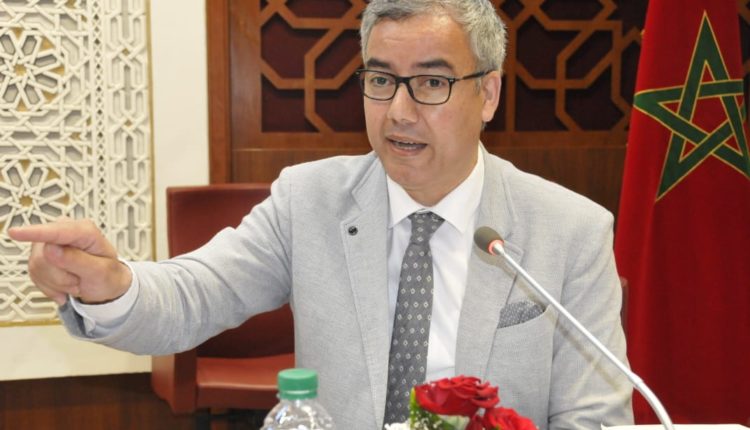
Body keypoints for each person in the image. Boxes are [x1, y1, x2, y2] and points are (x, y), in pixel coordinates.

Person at [9, 0, 633, 428]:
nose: (399, 111)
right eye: (381, 80)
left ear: (487, 93)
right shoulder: (308, 200)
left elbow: (596, 416)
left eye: (431, 83)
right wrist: (111, 286)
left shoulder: (571, 231)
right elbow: (196, 293)